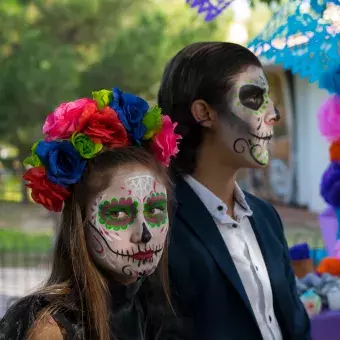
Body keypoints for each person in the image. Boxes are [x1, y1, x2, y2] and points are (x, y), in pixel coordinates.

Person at [0, 88, 186, 339]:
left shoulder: (163, 310)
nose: (144, 233)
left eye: (155, 209)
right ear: (81, 221)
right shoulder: (50, 328)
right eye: (118, 213)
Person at [158, 42, 311, 340]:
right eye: (255, 97)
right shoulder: (159, 224)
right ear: (204, 112)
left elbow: (295, 324)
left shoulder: (266, 217)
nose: (274, 113)